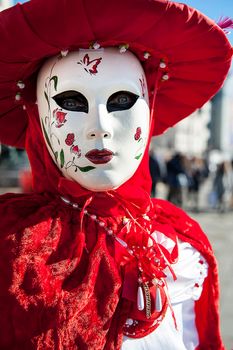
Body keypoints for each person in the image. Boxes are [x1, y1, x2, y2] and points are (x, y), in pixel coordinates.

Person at [0, 0, 232, 349]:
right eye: (72, 102)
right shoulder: (12, 244)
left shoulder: (181, 244)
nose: (101, 128)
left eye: (121, 99)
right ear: (38, 116)